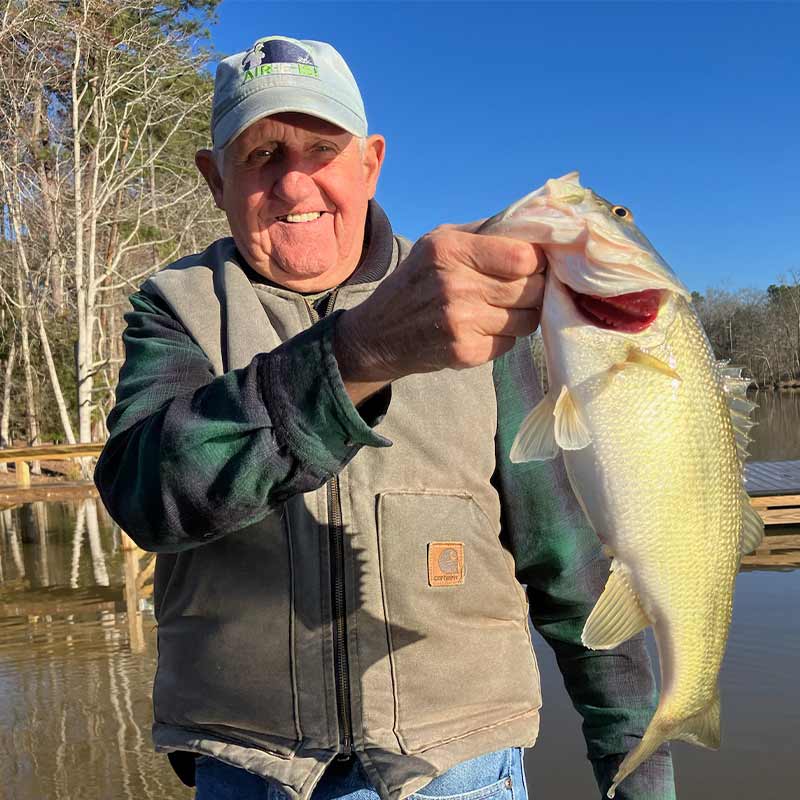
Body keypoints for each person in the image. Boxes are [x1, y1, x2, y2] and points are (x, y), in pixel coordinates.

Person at [95, 35, 675, 800]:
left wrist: (638, 770)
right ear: (215, 178)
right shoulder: (176, 309)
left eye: (321, 149)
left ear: (370, 162)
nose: (296, 183)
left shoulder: (477, 312)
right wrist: (357, 354)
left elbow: (565, 563)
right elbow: (148, 496)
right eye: (262, 153)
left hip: (462, 771)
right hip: (249, 771)